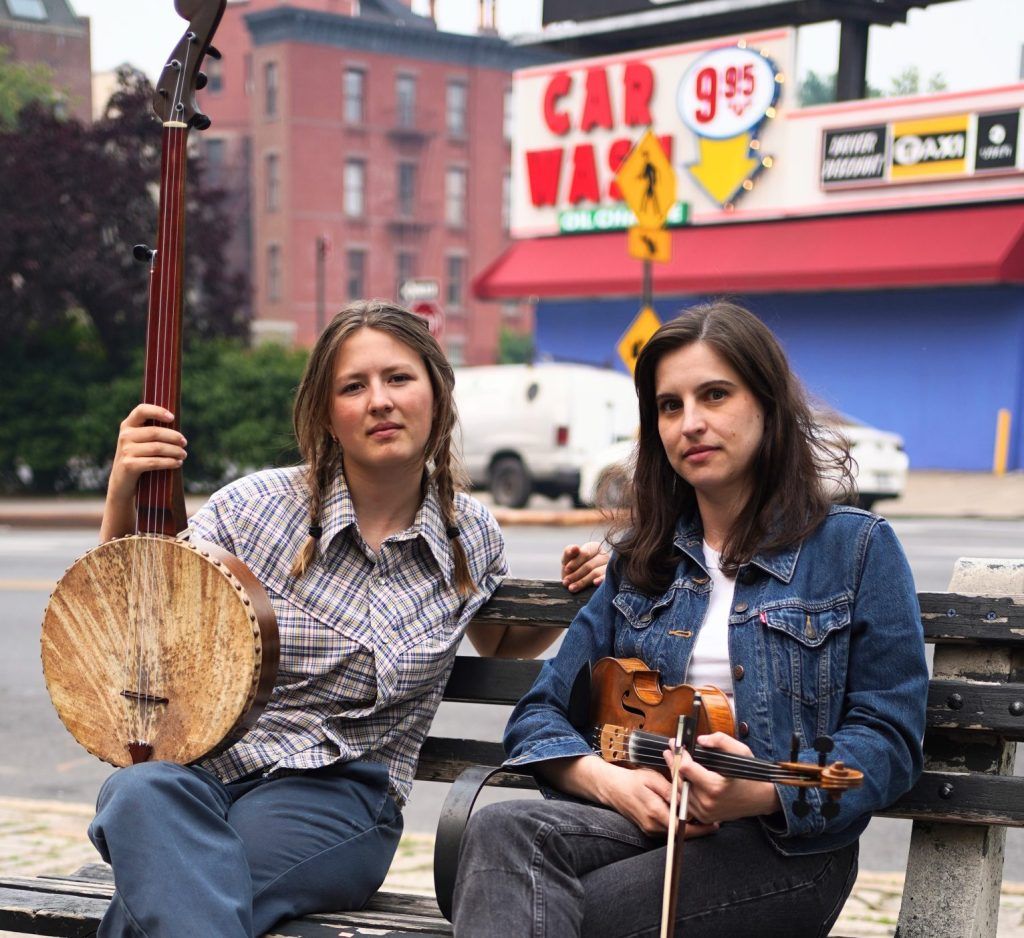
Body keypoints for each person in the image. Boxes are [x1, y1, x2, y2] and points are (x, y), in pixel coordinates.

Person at [89, 301, 592, 938]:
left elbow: (499, 641)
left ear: (436, 391)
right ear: (328, 414)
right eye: (354, 386)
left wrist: (571, 592)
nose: (379, 401)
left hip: (340, 798)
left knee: (181, 875)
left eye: (399, 378)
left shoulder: (469, 533)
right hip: (202, 777)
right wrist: (121, 491)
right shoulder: (253, 510)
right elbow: (135, 628)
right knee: (138, 794)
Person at [452, 301, 929, 938]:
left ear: (766, 404)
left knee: (540, 909)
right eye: (670, 406)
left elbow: (889, 741)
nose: (691, 423)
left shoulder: (855, 550)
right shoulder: (640, 563)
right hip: (645, 825)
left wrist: (763, 789)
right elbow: (539, 715)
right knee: (500, 830)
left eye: (714, 395)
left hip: (781, 850)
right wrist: (610, 784)